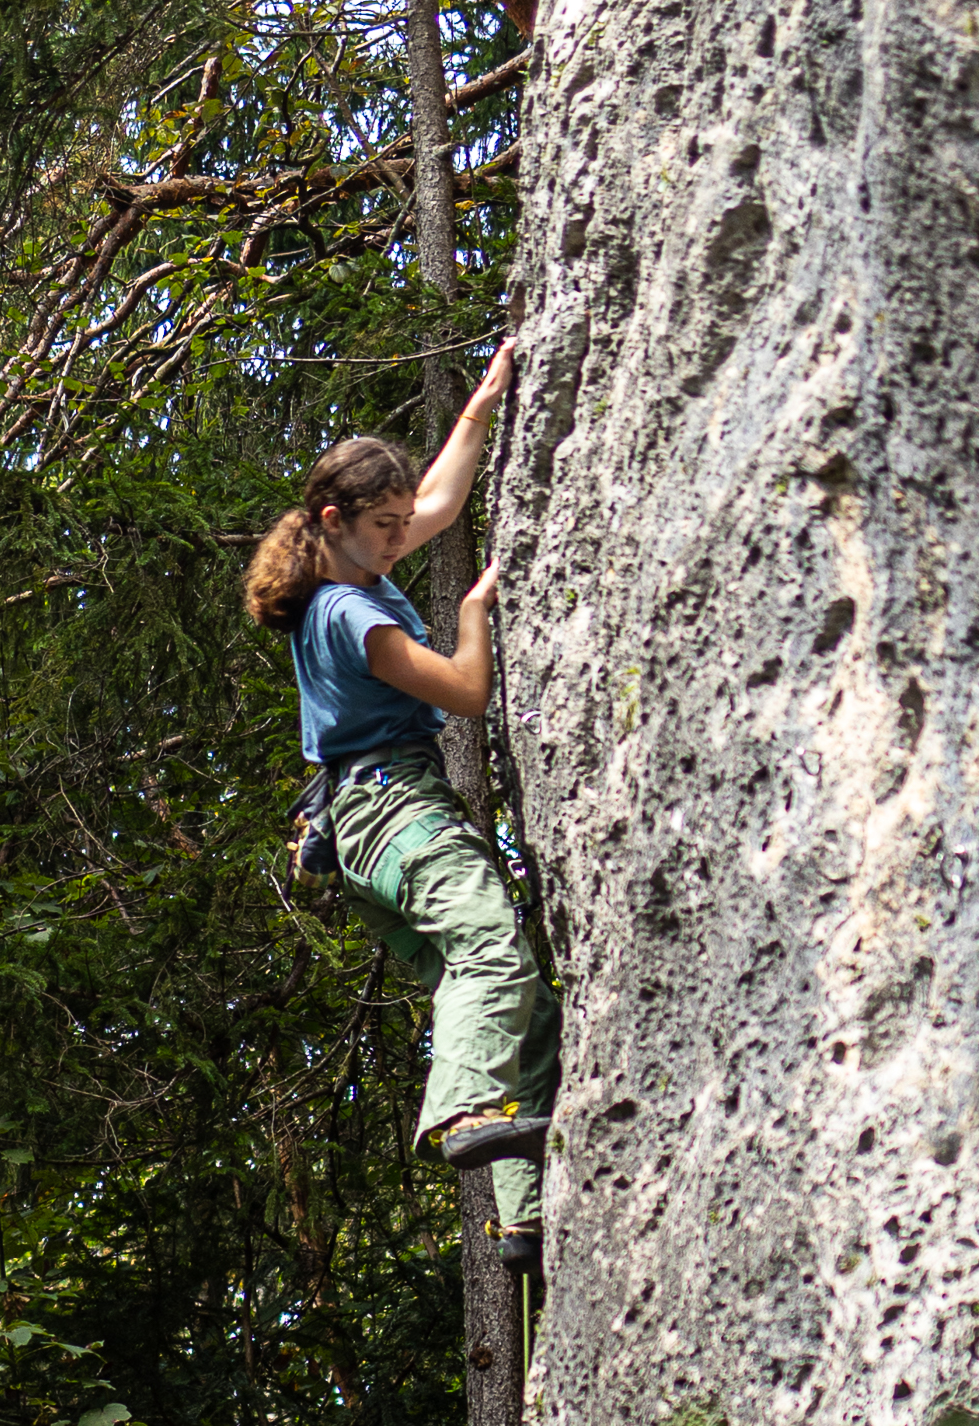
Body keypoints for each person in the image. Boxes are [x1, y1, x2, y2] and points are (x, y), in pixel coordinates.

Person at [241, 340, 557, 1277]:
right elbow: (463, 692)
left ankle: (523, 1219)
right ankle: (465, 1112)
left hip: (368, 833)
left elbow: (442, 503)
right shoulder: (349, 612)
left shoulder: (350, 570)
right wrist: (473, 610)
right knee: (493, 951)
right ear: (335, 521)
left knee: (516, 1000)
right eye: (383, 524)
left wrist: (482, 407)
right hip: (393, 815)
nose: (399, 534)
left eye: (396, 521)